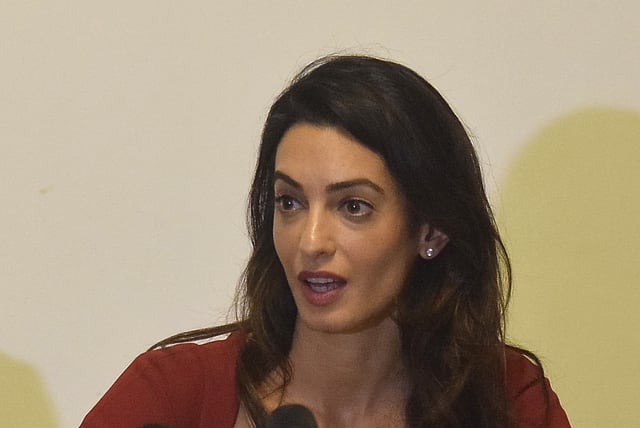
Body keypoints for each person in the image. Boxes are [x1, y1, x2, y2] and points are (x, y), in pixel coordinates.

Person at [81, 55, 570, 428]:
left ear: (431, 230)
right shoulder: (171, 395)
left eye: (353, 206)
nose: (311, 241)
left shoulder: (507, 402)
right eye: (290, 202)